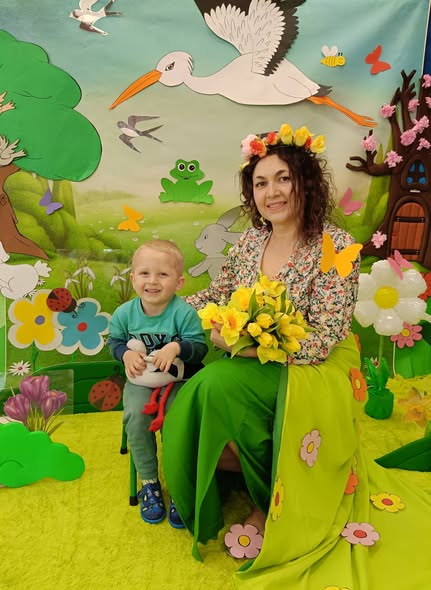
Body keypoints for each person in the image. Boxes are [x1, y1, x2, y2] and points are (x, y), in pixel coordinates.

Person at [162, 124, 431, 588]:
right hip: (252, 357)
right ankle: (218, 489)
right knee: (202, 389)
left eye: (283, 178)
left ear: (305, 181)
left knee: (214, 384)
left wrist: (245, 347)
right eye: (260, 183)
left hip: (312, 367)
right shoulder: (251, 241)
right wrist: (168, 312)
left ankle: (272, 503)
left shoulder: (336, 246)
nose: (272, 192)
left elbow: (325, 336)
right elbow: (219, 293)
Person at [108, 239, 208, 528]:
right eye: (145, 273)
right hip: (141, 381)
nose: (152, 281)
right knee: (137, 416)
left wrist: (176, 347)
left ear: (179, 282)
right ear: (133, 278)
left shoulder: (183, 313)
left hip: (178, 380)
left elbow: (199, 349)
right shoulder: (125, 314)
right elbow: (114, 342)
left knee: (178, 421)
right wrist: (125, 354)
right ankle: (149, 481)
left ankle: (178, 482)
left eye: (163, 275)